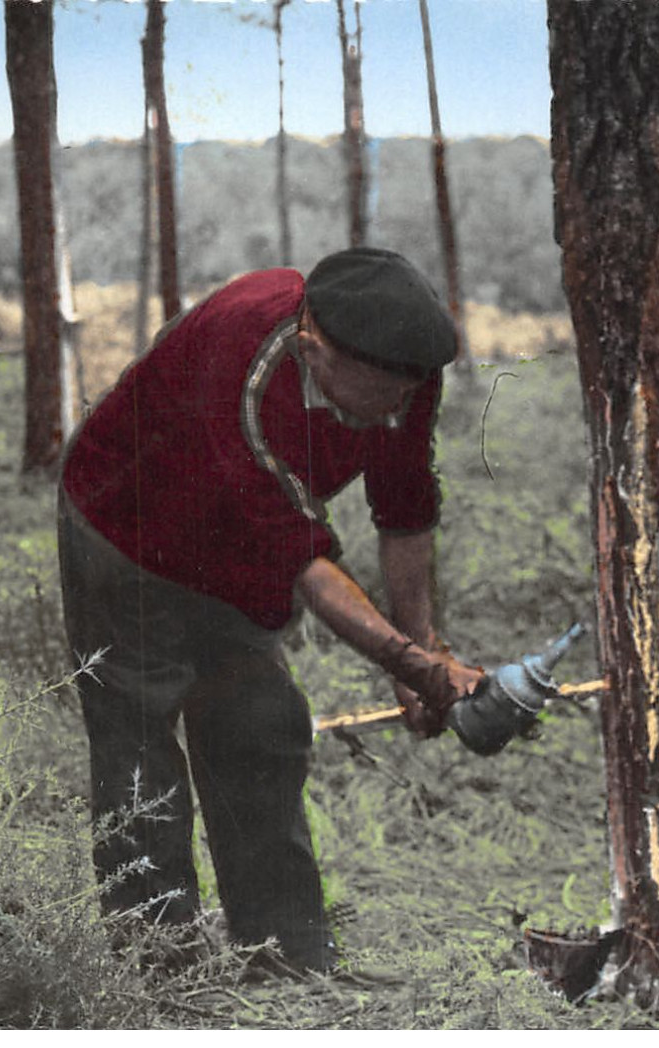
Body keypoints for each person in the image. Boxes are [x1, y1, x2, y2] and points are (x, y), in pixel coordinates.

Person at [56, 247, 485, 974]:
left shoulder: (404, 367)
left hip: (238, 539)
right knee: (138, 735)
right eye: (378, 395)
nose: (396, 412)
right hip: (124, 526)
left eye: (406, 394)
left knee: (259, 724)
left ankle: (283, 948)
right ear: (314, 348)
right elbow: (306, 564)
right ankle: (157, 959)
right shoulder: (246, 362)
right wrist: (408, 664)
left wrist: (426, 647)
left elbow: (405, 506)